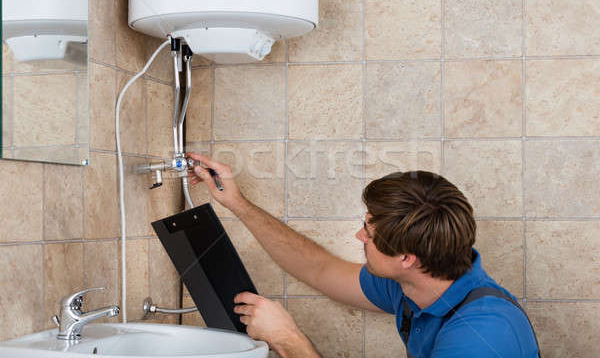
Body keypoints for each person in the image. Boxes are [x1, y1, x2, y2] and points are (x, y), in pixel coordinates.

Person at [187, 153, 540, 358]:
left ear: (407, 258)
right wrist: (237, 204)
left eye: (368, 232)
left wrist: (287, 340)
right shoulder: (414, 285)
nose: (359, 236)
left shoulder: (479, 335)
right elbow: (317, 268)